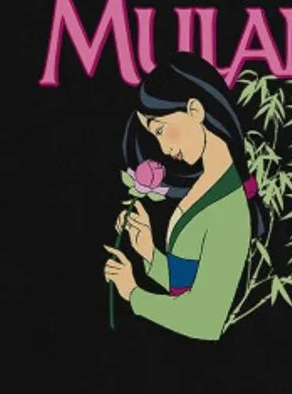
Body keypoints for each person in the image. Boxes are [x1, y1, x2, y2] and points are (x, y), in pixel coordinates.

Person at [103, 52, 266, 341]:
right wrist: (149, 253)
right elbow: (189, 284)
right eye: (154, 136)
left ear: (195, 110)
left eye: (161, 130)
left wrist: (133, 293)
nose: (162, 148)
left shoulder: (229, 209)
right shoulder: (209, 185)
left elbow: (204, 320)